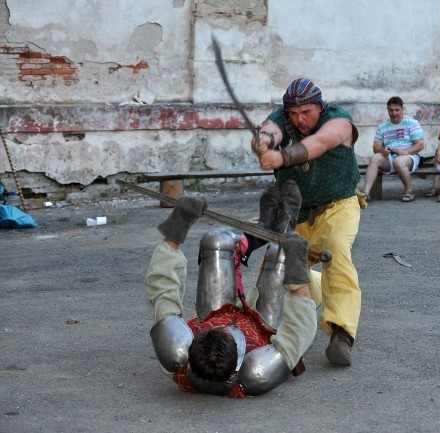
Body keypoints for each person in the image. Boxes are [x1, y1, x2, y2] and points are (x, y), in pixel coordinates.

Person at [144, 182, 318, 397]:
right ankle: (286, 226)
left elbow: (163, 289)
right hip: (264, 325)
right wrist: (298, 268)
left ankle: (263, 228)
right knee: (281, 252)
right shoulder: (257, 373)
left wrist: (178, 226)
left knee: (216, 240)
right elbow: (300, 330)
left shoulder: (176, 354)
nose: (227, 325)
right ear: (238, 360)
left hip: (218, 312)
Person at [251, 78, 362, 366]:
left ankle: (341, 333)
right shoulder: (282, 119)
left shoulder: (339, 121)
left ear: (319, 106)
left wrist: (283, 157)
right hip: (295, 211)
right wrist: (262, 142)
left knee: (336, 250)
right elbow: (269, 129)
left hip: (338, 207)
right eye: (294, 113)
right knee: (276, 265)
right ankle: (263, 327)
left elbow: (322, 142)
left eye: (307, 112)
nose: (300, 120)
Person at [361, 96, 424, 202]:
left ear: (402, 109)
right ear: (387, 110)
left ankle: (409, 191)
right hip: (390, 157)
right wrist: (382, 151)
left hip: (409, 157)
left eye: (397, 110)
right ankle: (366, 193)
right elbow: (376, 146)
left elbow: (420, 144)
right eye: (391, 110)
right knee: (375, 158)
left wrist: (406, 152)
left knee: (399, 161)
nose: (394, 113)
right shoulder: (383, 126)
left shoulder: (412, 123)